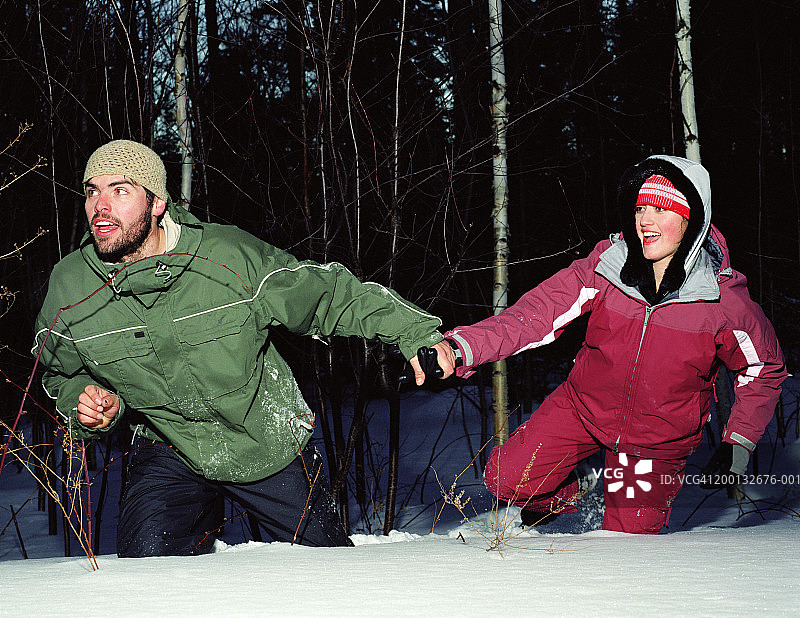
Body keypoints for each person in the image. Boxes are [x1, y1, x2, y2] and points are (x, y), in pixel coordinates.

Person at [33, 139, 452, 556]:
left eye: (119, 190)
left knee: (329, 570)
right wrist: (90, 403)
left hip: (263, 437)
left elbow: (328, 295)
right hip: (168, 444)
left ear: (157, 203)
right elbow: (58, 371)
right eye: (92, 191)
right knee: (147, 580)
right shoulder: (71, 286)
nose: (99, 206)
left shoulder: (227, 258)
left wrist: (414, 333)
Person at [434, 155, 786, 533]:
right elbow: (534, 315)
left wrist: (740, 441)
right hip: (582, 411)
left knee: (626, 545)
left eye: (661, 209)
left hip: (653, 443)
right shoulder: (606, 267)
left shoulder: (722, 299)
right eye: (640, 207)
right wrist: (461, 348)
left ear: (691, 221)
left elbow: (763, 368)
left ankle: (615, 498)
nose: (645, 221)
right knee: (506, 478)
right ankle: (573, 487)